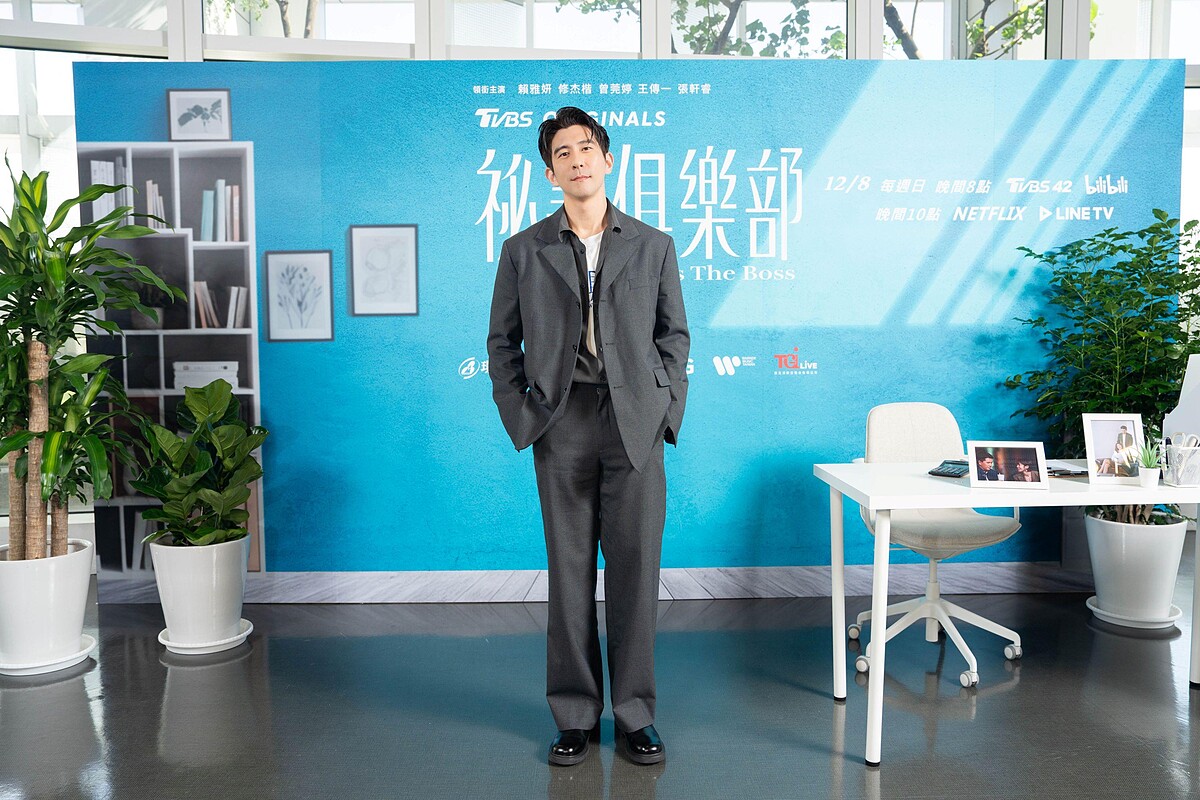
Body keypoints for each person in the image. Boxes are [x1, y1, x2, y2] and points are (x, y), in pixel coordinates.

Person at [487, 107, 690, 767]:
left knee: (636, 573)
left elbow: (674, 336)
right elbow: (501, 344)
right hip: (562, 420)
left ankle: (635, 715)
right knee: (568, 573)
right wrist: (524, 415)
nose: (576, 160)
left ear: (607, 159)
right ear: (550, 174)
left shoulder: (653, 245)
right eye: (562, 153)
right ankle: (574, 715)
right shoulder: (523, 250)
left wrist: (666, 411)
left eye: (585, 148)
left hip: (636, 424)